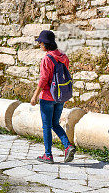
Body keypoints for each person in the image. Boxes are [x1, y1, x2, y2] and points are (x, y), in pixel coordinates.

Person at [29, 30, 76, 163]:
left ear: (45, 43)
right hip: (60, 96)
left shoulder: (46, 59)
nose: (39, 44)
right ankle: (68, 146)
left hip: (47, 97)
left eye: (40, 42)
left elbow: (43, 79)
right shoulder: (63, 56)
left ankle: (48, 155)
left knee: (46, 126)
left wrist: (34, 96)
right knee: (55, 123)